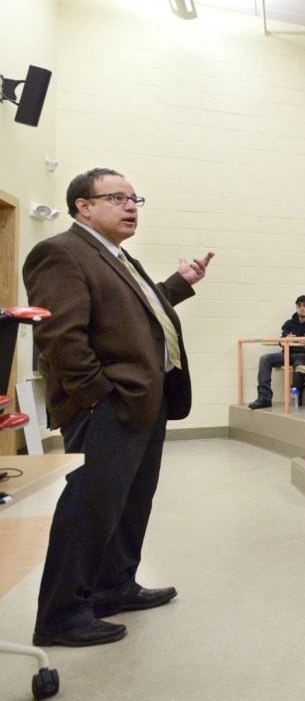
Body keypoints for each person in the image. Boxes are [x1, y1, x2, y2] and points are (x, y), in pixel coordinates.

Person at [23, 167, 214, 647]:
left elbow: (140, 313)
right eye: (118, 198)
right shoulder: (61, 252)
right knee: (91, 506)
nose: (131, 207)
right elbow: (60, 338)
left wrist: (179, 282)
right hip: (109, 404)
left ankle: (113, 586)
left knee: (130, 503)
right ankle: (61, 614)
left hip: (145, 400)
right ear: (83, 206)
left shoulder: (116, 257)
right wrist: (97, 396)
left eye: (135, 199)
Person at [247, 295, 305, 409]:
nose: (302, 308)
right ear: (296, 307)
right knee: (265, 359)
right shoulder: (289, 323)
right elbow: (281, 340)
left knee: (299, 364)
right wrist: (286, 339)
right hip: (288, 354)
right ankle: (264, 397)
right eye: (299, 305)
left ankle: (296, 395)